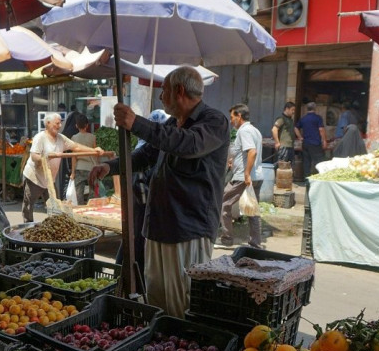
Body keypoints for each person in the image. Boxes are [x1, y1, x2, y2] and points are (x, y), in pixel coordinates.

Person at [89, 66, 230, 318]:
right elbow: (145, 156)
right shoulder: (171, 124)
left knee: (181, 302)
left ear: (179, 91)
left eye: (163, 90)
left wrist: (136, 123)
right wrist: (109, 167)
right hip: (158, 225)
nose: (160, 96)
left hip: (188, 228)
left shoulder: (213, 122)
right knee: (156, 299)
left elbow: (188, 144)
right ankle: (158, 347)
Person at [114, 109, 169, 282]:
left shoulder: (150, 153)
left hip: (140, 222)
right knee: (135, 254)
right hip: (141, 221)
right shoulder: (145, 159)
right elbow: (142, 198)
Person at [21, 113, 104, 222]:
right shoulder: (40, 137)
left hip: (49, 179)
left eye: (60, 123)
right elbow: (34, 155)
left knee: (54, 204)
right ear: (48, 123)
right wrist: (45, 159)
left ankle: (54, 227)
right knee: (29, 204)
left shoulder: (61, 138)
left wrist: (94, 151)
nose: (60, 125)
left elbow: (76, 147)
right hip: (34, 177)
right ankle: (28, 226)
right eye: (57, 123)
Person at [216, 103, 264, 250]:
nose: (231, 121)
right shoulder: (254, 130)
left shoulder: (244, 131)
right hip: (255, 176)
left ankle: (227, 238)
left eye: (232, 117)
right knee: (252, 209)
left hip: (243, 177)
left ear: (239, 116)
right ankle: (255, 242)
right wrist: (233, 160)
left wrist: (246, 173)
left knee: (224, 203)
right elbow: (244, 152)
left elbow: (252, 152)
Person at [70, 114, 98, 204]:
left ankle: (80, 209)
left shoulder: (74, 138)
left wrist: (73, 172)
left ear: (76, 126)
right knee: (93, 191)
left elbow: (74, 157)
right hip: (91, 168)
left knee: (79, 193)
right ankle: (90, 208)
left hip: (79, 167)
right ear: (87, 125)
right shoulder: (93, 137)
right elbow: (95, 154)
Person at [295, 102, 327, 176]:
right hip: (315, 144)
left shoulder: (303, 118)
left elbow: (296, 128)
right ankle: (319, 179)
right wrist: (324, 140)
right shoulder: (318, 118)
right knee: (319, 162)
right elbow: (321, 130)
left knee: (306, 162)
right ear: (315, 108)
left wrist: (300, 137)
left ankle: (307, 181)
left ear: (307, 109)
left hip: (305, 144)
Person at [271, 102, 296, 167]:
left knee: (289, 167)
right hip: (283, 147)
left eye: (294, 110)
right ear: (287, 109)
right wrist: (277, 142)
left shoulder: (290, 120)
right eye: (292, 110)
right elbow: (274, 129)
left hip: (290, 147)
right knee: (281, 166)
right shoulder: (281, 119)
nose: (293, 112)